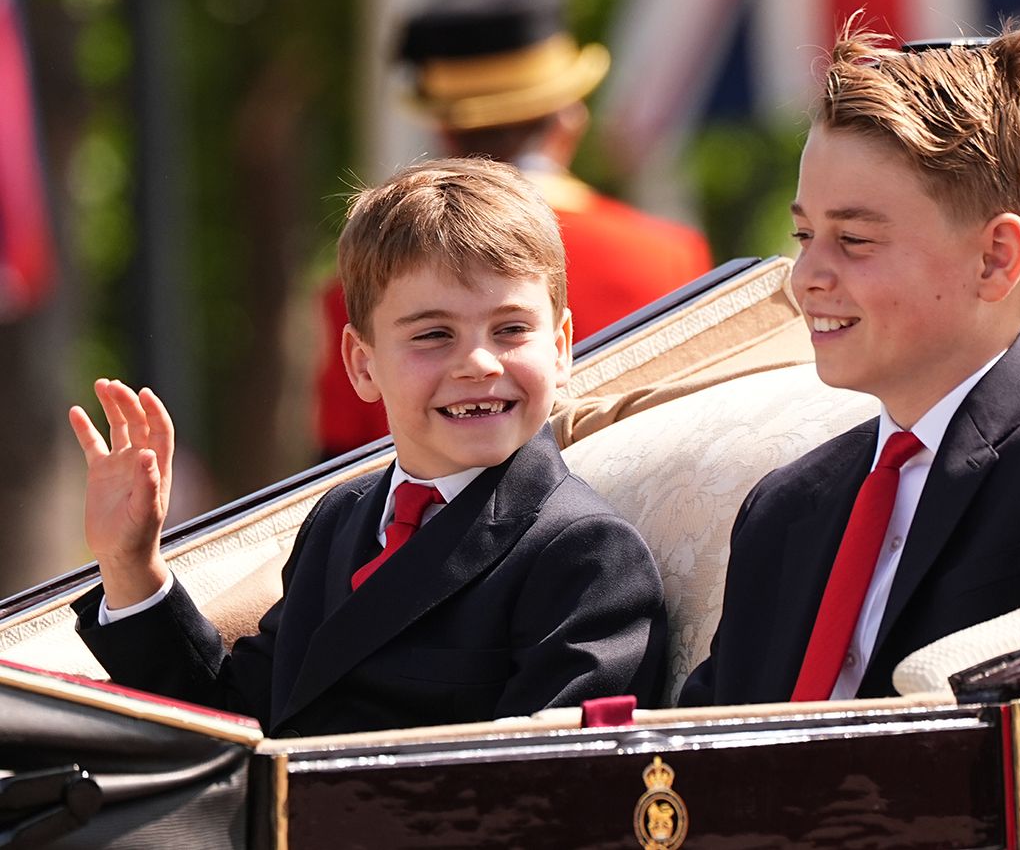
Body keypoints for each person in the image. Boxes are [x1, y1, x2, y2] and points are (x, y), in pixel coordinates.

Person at [679, 19, 1020, 707]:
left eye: (854, 239)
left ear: (995, 259)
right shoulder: (785, 507)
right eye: (805, 234)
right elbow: (703, 751)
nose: (806, 277)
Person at [69, 158, 667, 737]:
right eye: (434, 335)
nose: (480, 363)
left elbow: (551, 791)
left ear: (561, 348)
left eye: (511, 330)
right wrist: (130, 564)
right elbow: (237, 722)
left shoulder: (585, 555)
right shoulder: (340, 519)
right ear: (362, 364)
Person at [316, 0, 713, 458]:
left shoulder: (360, 283)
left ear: (444, 132)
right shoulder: (670, 254)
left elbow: (337, 466)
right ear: (568, 122)